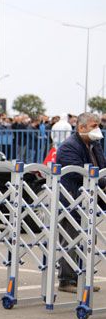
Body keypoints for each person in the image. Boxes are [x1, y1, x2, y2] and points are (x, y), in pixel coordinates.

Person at [55, 112, 105, 293]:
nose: (97, 129)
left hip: (89, 200)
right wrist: (102, 181)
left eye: (98, 125)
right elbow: (78, 173)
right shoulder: (69, 147)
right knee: (71, 240)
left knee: (88, 239)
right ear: (81, 127)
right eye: (93, 126)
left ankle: (83, 278)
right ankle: (66, 280)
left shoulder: (94, 144)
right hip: (72, 200)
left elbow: (101, 167)